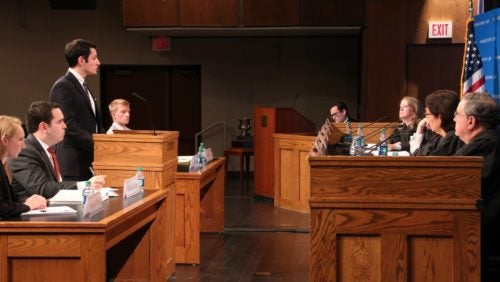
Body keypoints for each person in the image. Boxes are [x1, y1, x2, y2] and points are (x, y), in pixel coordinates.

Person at [9, 101, 105, 199]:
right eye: (60, 122)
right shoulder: (24, 151)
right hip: (30, 211)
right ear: (44, 127)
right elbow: (42, 188)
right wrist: (85, 184)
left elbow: (57, 185)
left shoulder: (51, 147)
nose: (65, 126)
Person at [453, 92, 500, 278]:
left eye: (457, 114)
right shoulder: (486, 141)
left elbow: (453, 184)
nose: (454, 119)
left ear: (471, 121)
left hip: (481, 235)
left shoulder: (485, 145)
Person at [50, 39, 104, 181]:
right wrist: (98, 145)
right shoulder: (63, 86)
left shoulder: (83, 85)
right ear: (81, 60)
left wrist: (105, 143)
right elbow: (68, 124)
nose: (98, 62)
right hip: (74, 162)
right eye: (94, 58)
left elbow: (94, 123)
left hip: (87, 160)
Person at [0, 115, 46, 219]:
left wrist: (26, 200)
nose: (24, 146)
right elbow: (2, 208)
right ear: (5, 140)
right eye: (20, 139)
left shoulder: (3, 165)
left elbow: (10, 199)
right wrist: (27, 205)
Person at [410, 89, 463, 156]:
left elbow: (423, 159)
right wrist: (419, 128)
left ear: (440, 116)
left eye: (427, 114)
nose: (425, 119)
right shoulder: (438, 136)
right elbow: (417, 153)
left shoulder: (452, 138)